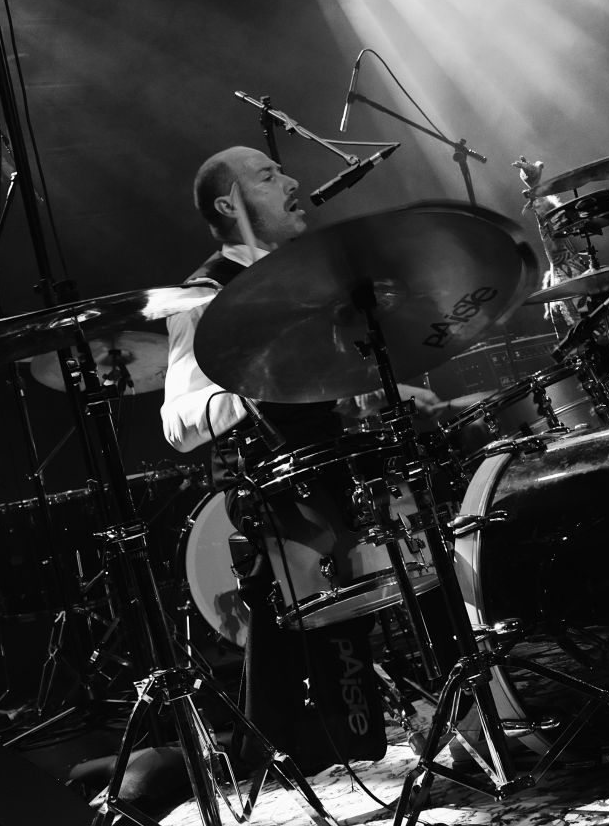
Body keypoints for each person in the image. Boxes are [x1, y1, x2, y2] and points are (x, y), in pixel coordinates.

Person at [159, 145, 449, 772]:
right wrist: (254, 383)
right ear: (228, 204)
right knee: (320, 669)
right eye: (268, 175)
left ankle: (457, 707)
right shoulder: (205, 293)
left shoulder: (303, 276)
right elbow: (178, 424)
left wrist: (379, 393)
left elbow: (324, 385)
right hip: (279, 491)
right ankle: (280, 754)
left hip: (338, 466)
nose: (292, 181)